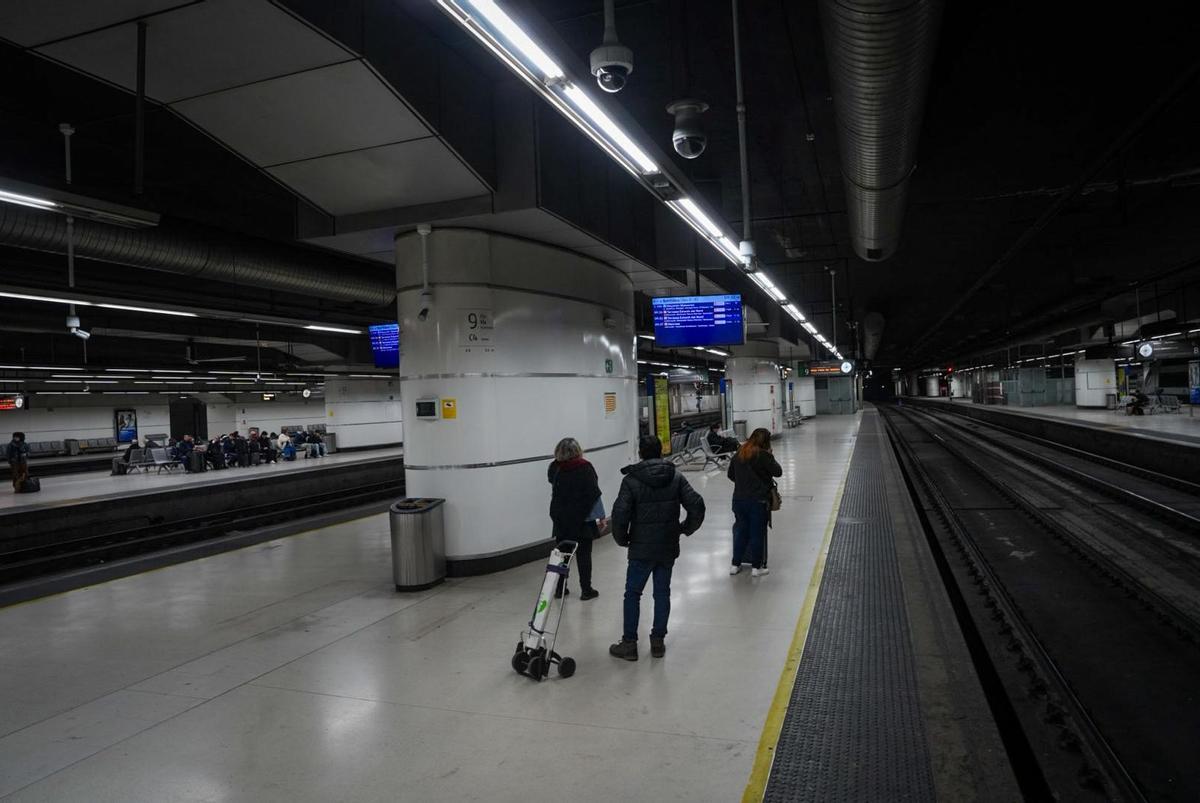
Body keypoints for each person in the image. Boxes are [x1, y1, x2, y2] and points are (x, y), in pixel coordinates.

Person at [609, 435, 705, 661]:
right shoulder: (676, 476)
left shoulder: (631, 480)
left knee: (632, 594)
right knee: (662, 593)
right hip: (667, 546)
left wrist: (623, 539)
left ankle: (630, 644)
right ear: (661, 451)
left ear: (640, 452)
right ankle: (658, 641)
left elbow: (620, 514)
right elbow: (697, 505)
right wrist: (684, 528)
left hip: (641, 548)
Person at [547, 437, 602, 601]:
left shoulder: (555, 468)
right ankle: (586, 590)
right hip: (582, 520)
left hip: (561, 519)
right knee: (584, 556)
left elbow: (553, 485)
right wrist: (600, 516)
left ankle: (560, 588)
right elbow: (594, 493)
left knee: (562, 554)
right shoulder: (585, 467)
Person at [726, 427, 782, 577]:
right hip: (758, 501)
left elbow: (730, 475)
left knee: (741, 532)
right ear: (766, 442)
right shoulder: (763, 455)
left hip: (738, 499)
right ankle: (756, 568)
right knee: (757, 533)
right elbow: (778, 472)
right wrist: (771, 456)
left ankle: (735, 564)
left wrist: (743, 483)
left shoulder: (740, 452)